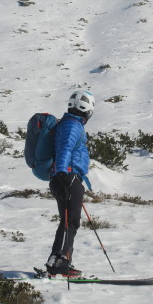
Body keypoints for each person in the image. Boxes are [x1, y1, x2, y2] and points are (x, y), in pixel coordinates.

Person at [45, 90, 95, 277]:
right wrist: (65, 176)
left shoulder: (69, 124)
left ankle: (61, 260)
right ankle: (59, 261)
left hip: (66, 177)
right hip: (67, 177)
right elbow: (65, 149)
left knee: (68, 221)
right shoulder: (72, 126)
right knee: (70, 221)